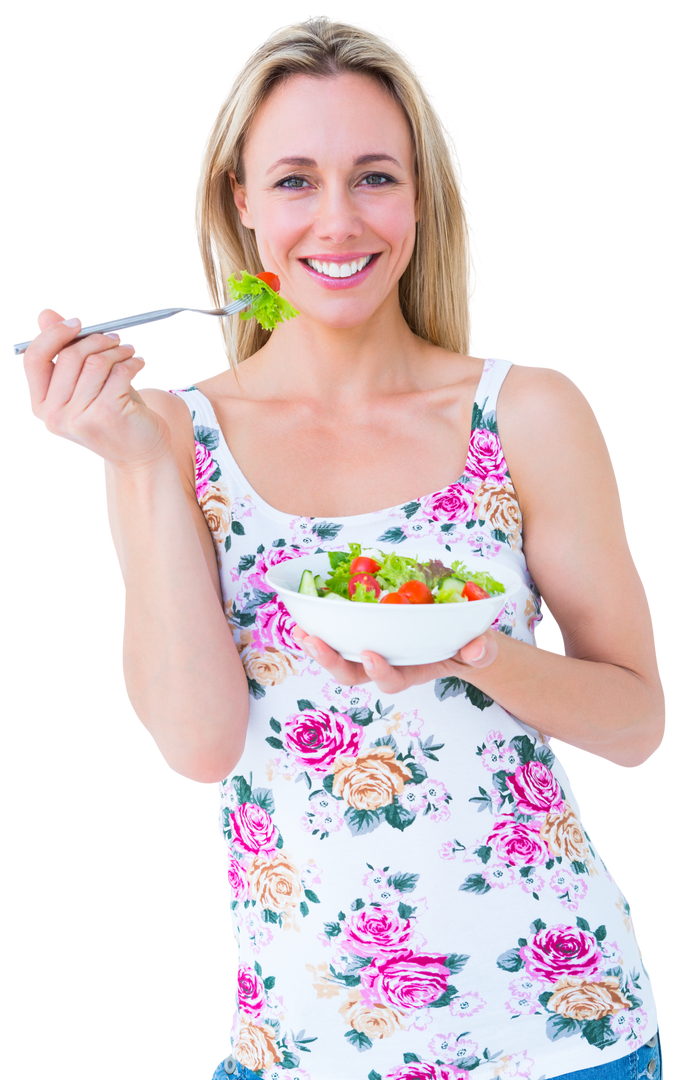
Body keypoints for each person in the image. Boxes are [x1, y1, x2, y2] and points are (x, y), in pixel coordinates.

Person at [21, 14, 666, 1080]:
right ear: (239, 200)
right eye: (293, 182)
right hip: (299, 1050)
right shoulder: (170, 435)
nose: (336, 220)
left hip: (566, 1036)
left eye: (375, 176)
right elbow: (197, 747)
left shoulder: (530, 412)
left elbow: (638, 724)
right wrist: (130, 465)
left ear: (422, 197)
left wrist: (472, 651)